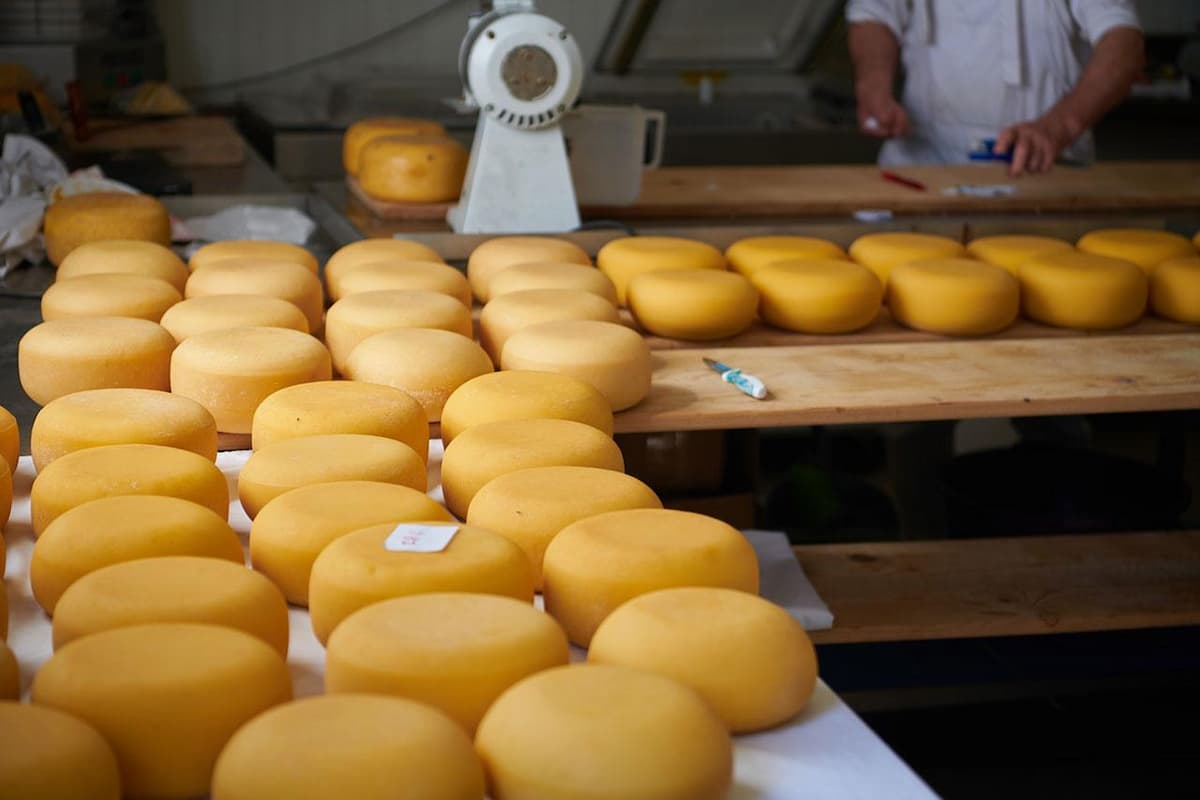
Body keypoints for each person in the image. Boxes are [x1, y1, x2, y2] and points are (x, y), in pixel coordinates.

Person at [847, 1, 1144, 176]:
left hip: (1043, 172)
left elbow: (1122, 42)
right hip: (921, 168)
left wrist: (1057, 127)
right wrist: (873, 84)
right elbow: (875, 14)